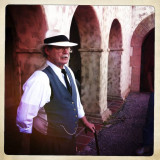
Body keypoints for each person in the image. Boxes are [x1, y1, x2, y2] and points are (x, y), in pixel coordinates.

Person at [16, 33, 95, 155]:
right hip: (49, 142)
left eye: (68, 48)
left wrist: (85, 121)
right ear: (47, 50)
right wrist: (30, 142)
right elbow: (24, 115)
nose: (66, 51)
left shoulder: (68, 71)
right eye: (60, 47)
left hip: (69, 139)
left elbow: (75, 101)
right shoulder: (40, 78)